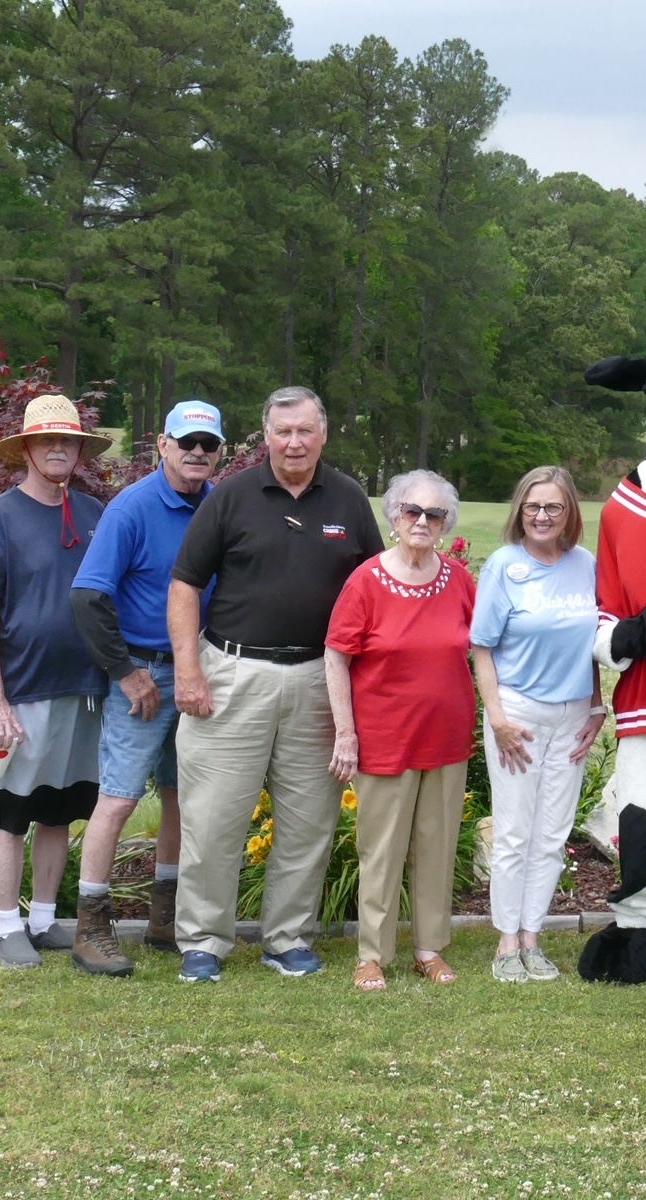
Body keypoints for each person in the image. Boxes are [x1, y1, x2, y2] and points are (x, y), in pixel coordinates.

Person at [167, 386, 383, 983]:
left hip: (320, 678)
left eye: (305, 430)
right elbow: (185, 585)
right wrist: (188, 671)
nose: (294, 442)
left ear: (324, 433)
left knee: (309, 820)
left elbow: (375, 589)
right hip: (232, 677)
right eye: (283, 431)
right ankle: (204, 941)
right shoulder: (231, 497)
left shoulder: (349, 499)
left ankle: (287, 938)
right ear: (265, 435)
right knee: (213, 820)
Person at [66, 399, 225, 977]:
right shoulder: (131, 509)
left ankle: (166, 919)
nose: (197, 454)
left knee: (182, 796)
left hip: (199, 672)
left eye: (209, 445)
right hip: (142, 676)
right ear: (163, 445)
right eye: (187, 443)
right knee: (120, 798)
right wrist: (126, 673)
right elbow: (87, 595)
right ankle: (91, 928)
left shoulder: (217, 505)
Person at [0, 395, 110, 969]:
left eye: (69, 441)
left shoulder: (96, 513)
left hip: (85, 691)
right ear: (26, 449)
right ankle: (5, 926)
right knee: (9, 810)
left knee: (58, 808)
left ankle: (43, 920)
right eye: (47, 440)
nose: (59, 449)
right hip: (21, 693)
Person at [327, 470, 477, 991]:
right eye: (412, 511)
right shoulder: (366, 580)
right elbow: (336, 657)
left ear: (445, 523)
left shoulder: (458, 578)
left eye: (434, 514)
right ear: (393, 517)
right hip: (384, 738)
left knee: (437, 846)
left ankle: (429, 949)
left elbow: (481, 647)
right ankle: (373, 954)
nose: (422, 521)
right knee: (382, 848)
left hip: (446, 737)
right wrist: (345, 733)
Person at [470, 467, 604, 983]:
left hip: (572, 717)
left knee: (551, 835)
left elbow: (589, 644)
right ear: (519, 512)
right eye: (532, 507)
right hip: (518, 717)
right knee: (514, 833)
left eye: (553, 507)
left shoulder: (584, 564)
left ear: (570, 511)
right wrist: (498, 719)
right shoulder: (505, 565)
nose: (542, 516)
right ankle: (506, 943)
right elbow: (481, 648)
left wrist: (596, 707)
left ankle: (533, 937)